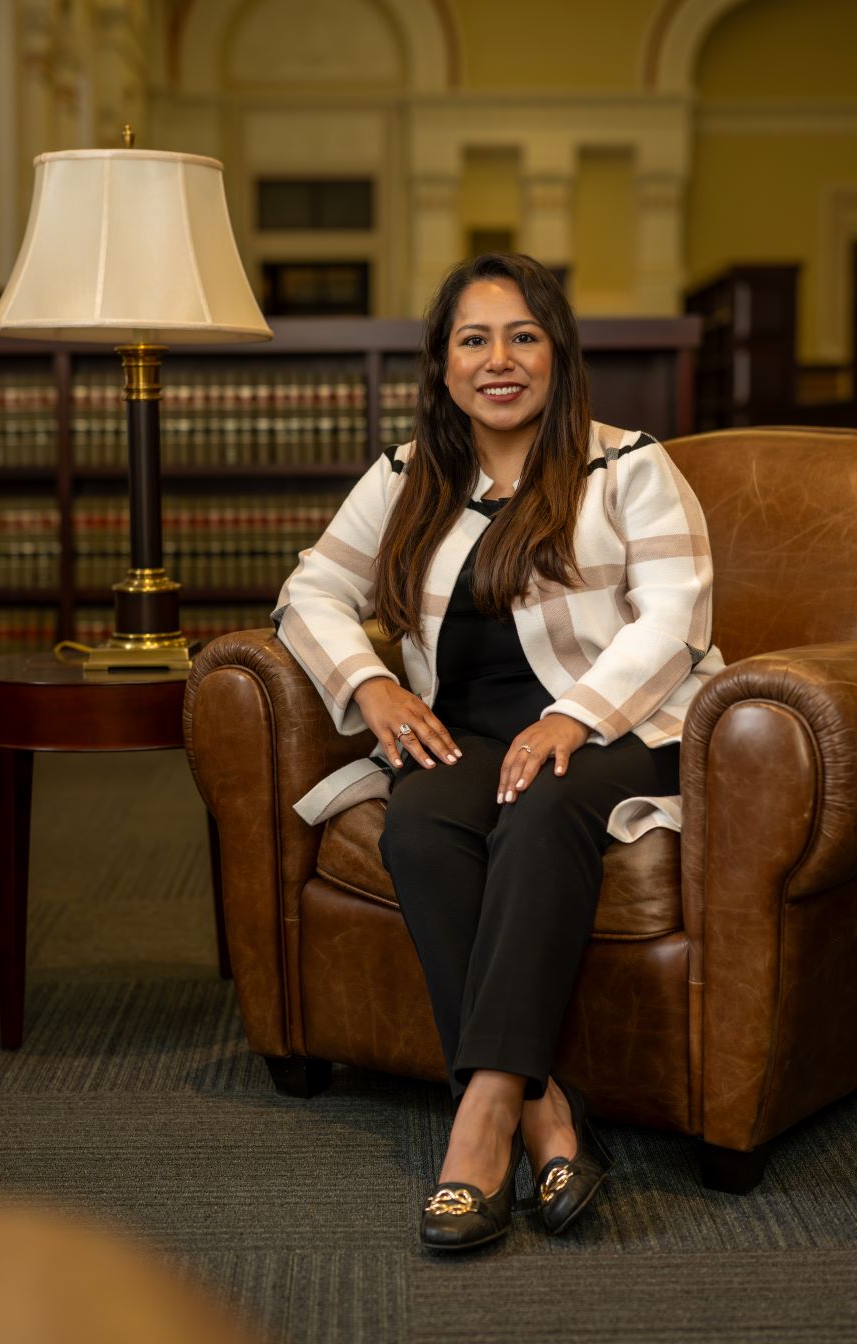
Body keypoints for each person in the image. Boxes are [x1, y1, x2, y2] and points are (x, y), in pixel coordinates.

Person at [272, 252, 723, 1252]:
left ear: (559, 355)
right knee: (424, 826)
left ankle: (480, 1121)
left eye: (524, 335)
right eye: (474, 339)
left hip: (623, 723)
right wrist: (373, 685)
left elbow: (677, 618)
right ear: (441, 366)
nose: (499, 359)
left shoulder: (629, 466)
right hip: (465, 727)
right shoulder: (406, 475)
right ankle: (546, 1111)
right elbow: (309, 592)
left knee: (544, 805)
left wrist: (575, 715)